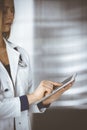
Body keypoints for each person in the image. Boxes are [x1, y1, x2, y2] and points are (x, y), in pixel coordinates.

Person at [0, 0, 74, 130]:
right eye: (5, 10)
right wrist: (34, 96)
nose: (11, 15)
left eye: (12, 10)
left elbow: (25, 104)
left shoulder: (21, 54)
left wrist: (45, 100)